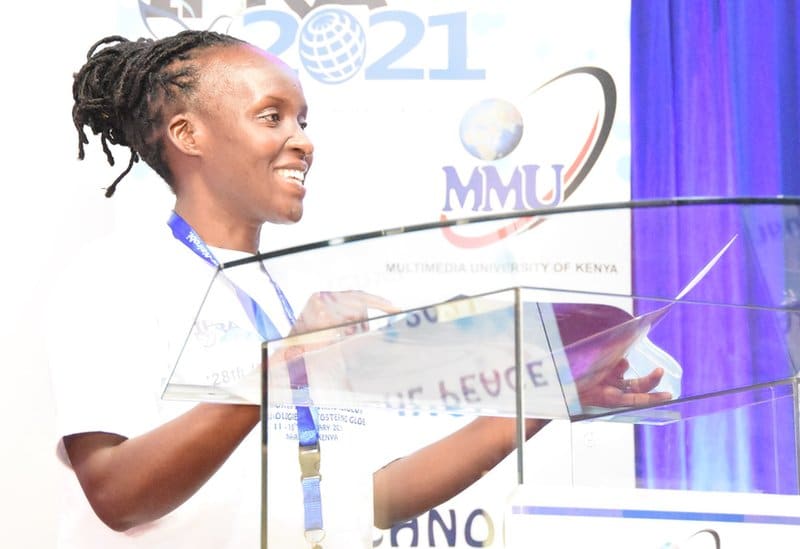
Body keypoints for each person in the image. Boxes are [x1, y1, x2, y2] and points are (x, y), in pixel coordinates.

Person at [49, 29, 671, 548]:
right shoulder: (116, 277)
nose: (303, 139)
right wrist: (276, 370)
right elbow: (117, 494)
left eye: (302, 119)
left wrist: (540, 403)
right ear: (189, 136)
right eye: (272, 116)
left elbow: (374, 496)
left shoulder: (292, 294)